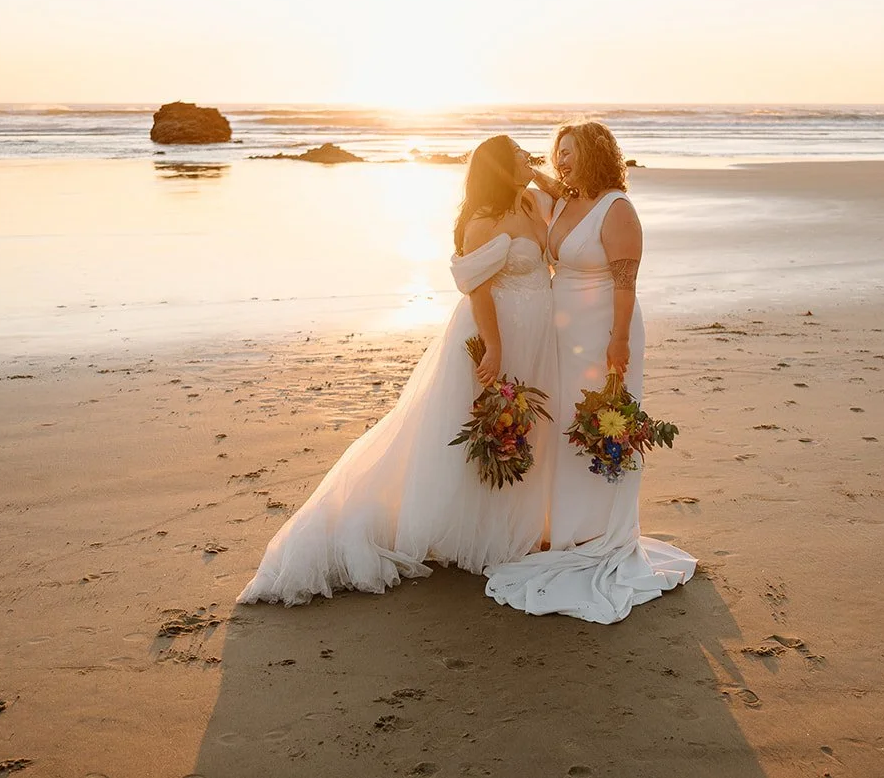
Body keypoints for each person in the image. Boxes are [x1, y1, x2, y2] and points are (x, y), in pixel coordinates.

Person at [238, 136, 558, 605]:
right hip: (499, 333)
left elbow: (564, 198)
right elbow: (478, 291)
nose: (527, 158)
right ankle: (476, 531)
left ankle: (515, 524)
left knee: (523, 429)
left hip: (536, 335)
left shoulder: (530, 201)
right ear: (499, 168)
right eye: (518, 155)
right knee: (483, 431)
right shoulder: (483, 222)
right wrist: (493, 347)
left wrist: (537, 174)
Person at [485, 120, 696, 624]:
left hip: (606, 328)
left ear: (595, 154)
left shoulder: (616, 208)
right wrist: (533, 171)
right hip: (564, 334)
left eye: (571, 152)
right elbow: (549, 186)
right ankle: (568, 529)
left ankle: (603, 533)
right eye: (557, 151)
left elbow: (626, 282)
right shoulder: (564, 202)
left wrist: (618, 341)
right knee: (565, 426)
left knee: (603, 425)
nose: (561, 160)